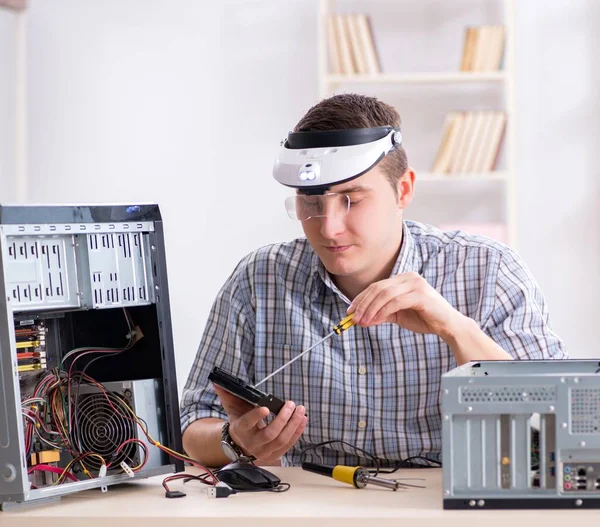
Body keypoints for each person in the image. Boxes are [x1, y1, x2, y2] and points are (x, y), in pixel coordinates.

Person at [179, 93, 567, 469]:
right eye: (311, 203)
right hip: (310, 507)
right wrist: (235, 441)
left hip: (445, 506)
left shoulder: (488, 270)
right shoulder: (259, 280)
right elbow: (193, 421)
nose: (329, 227)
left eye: (352, 198)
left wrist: (456, 329)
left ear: (404, 190)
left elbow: (554, 436)